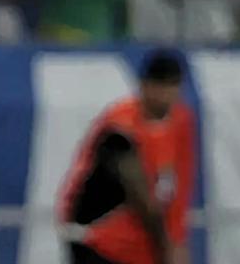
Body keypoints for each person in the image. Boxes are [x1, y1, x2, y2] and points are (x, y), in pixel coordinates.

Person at [57, 50, 195, 264]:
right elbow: (141, 195)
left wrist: (178, 238)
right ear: (145, 86)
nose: (167, 97)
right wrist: (168, 246)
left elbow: (181, 182)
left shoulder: (181, 122)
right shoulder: (120, 127)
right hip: (99, 239)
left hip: (142, 246)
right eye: (161, 87)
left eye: (173, 88)